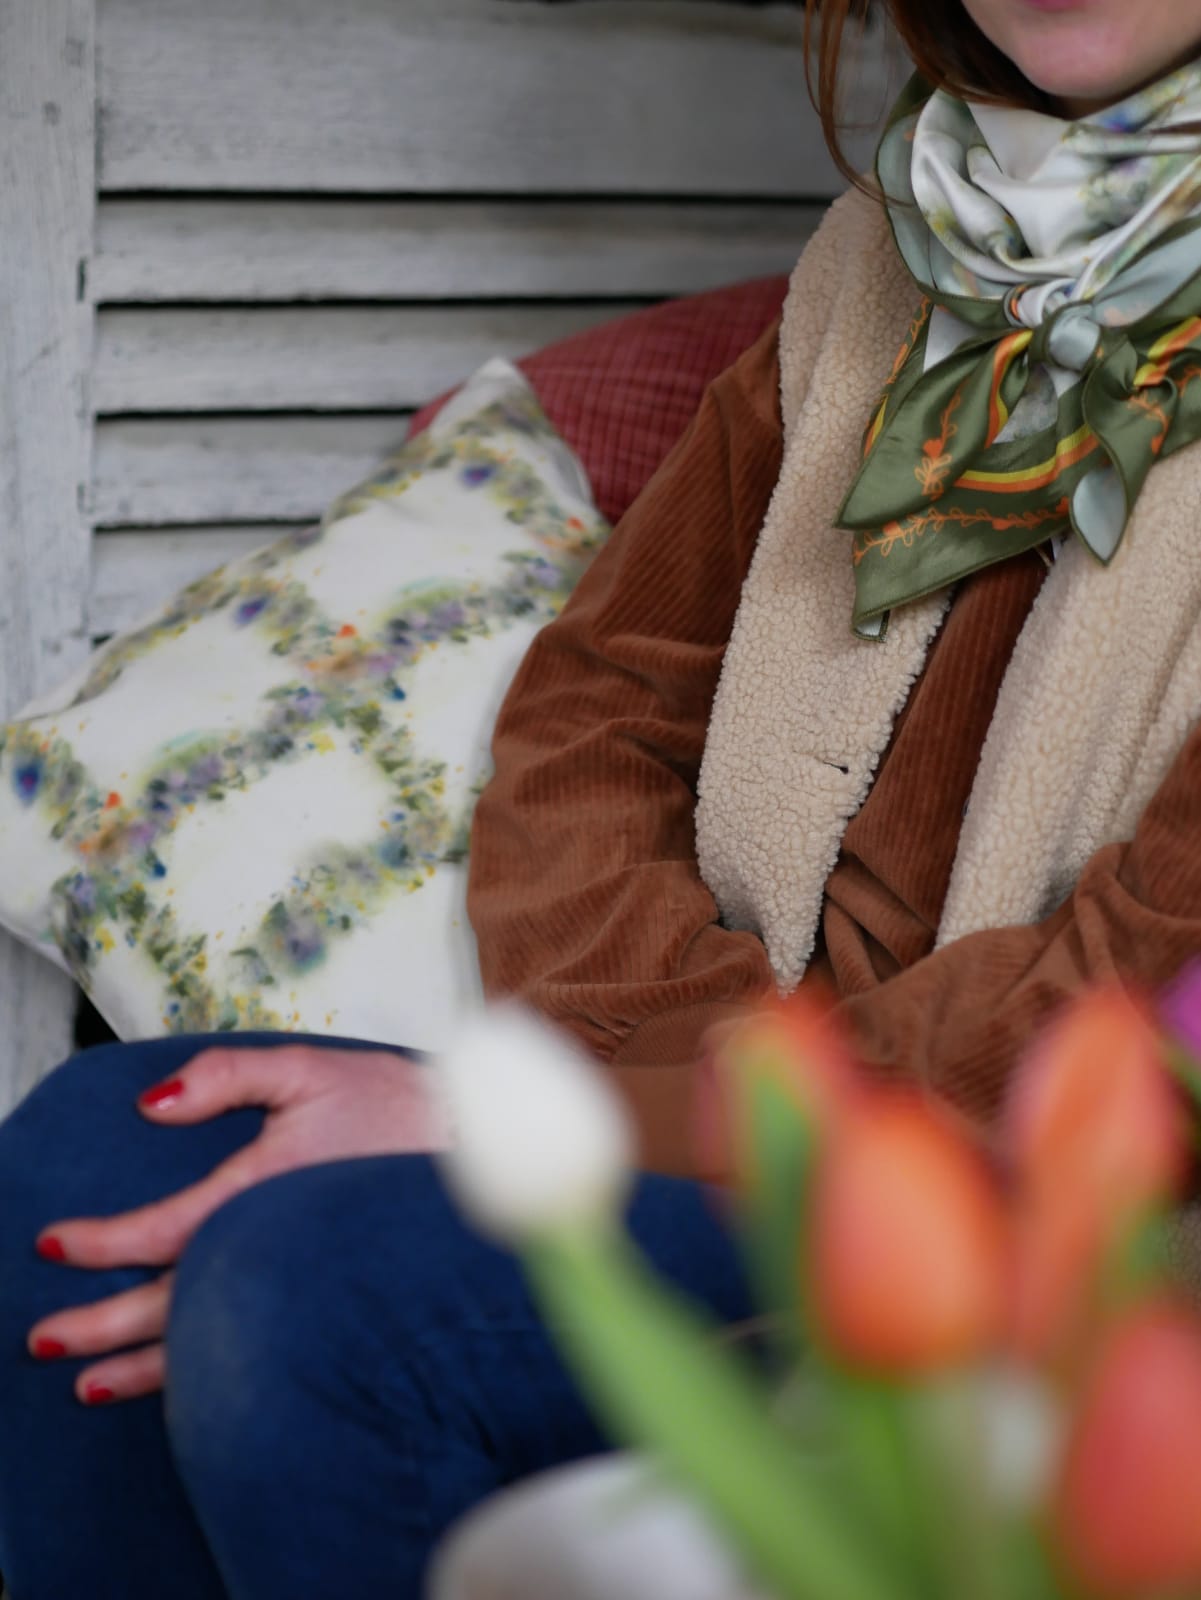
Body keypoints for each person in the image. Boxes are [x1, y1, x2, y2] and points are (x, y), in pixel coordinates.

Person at [5, 0, 1201, 1593]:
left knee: (309, 1284)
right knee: (87, 1153)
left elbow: (1149, 999)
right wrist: (688, 1080)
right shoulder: (885, 260)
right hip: (725, 1106)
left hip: (1045, 1214)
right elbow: (597, 713)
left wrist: (631, 1121)